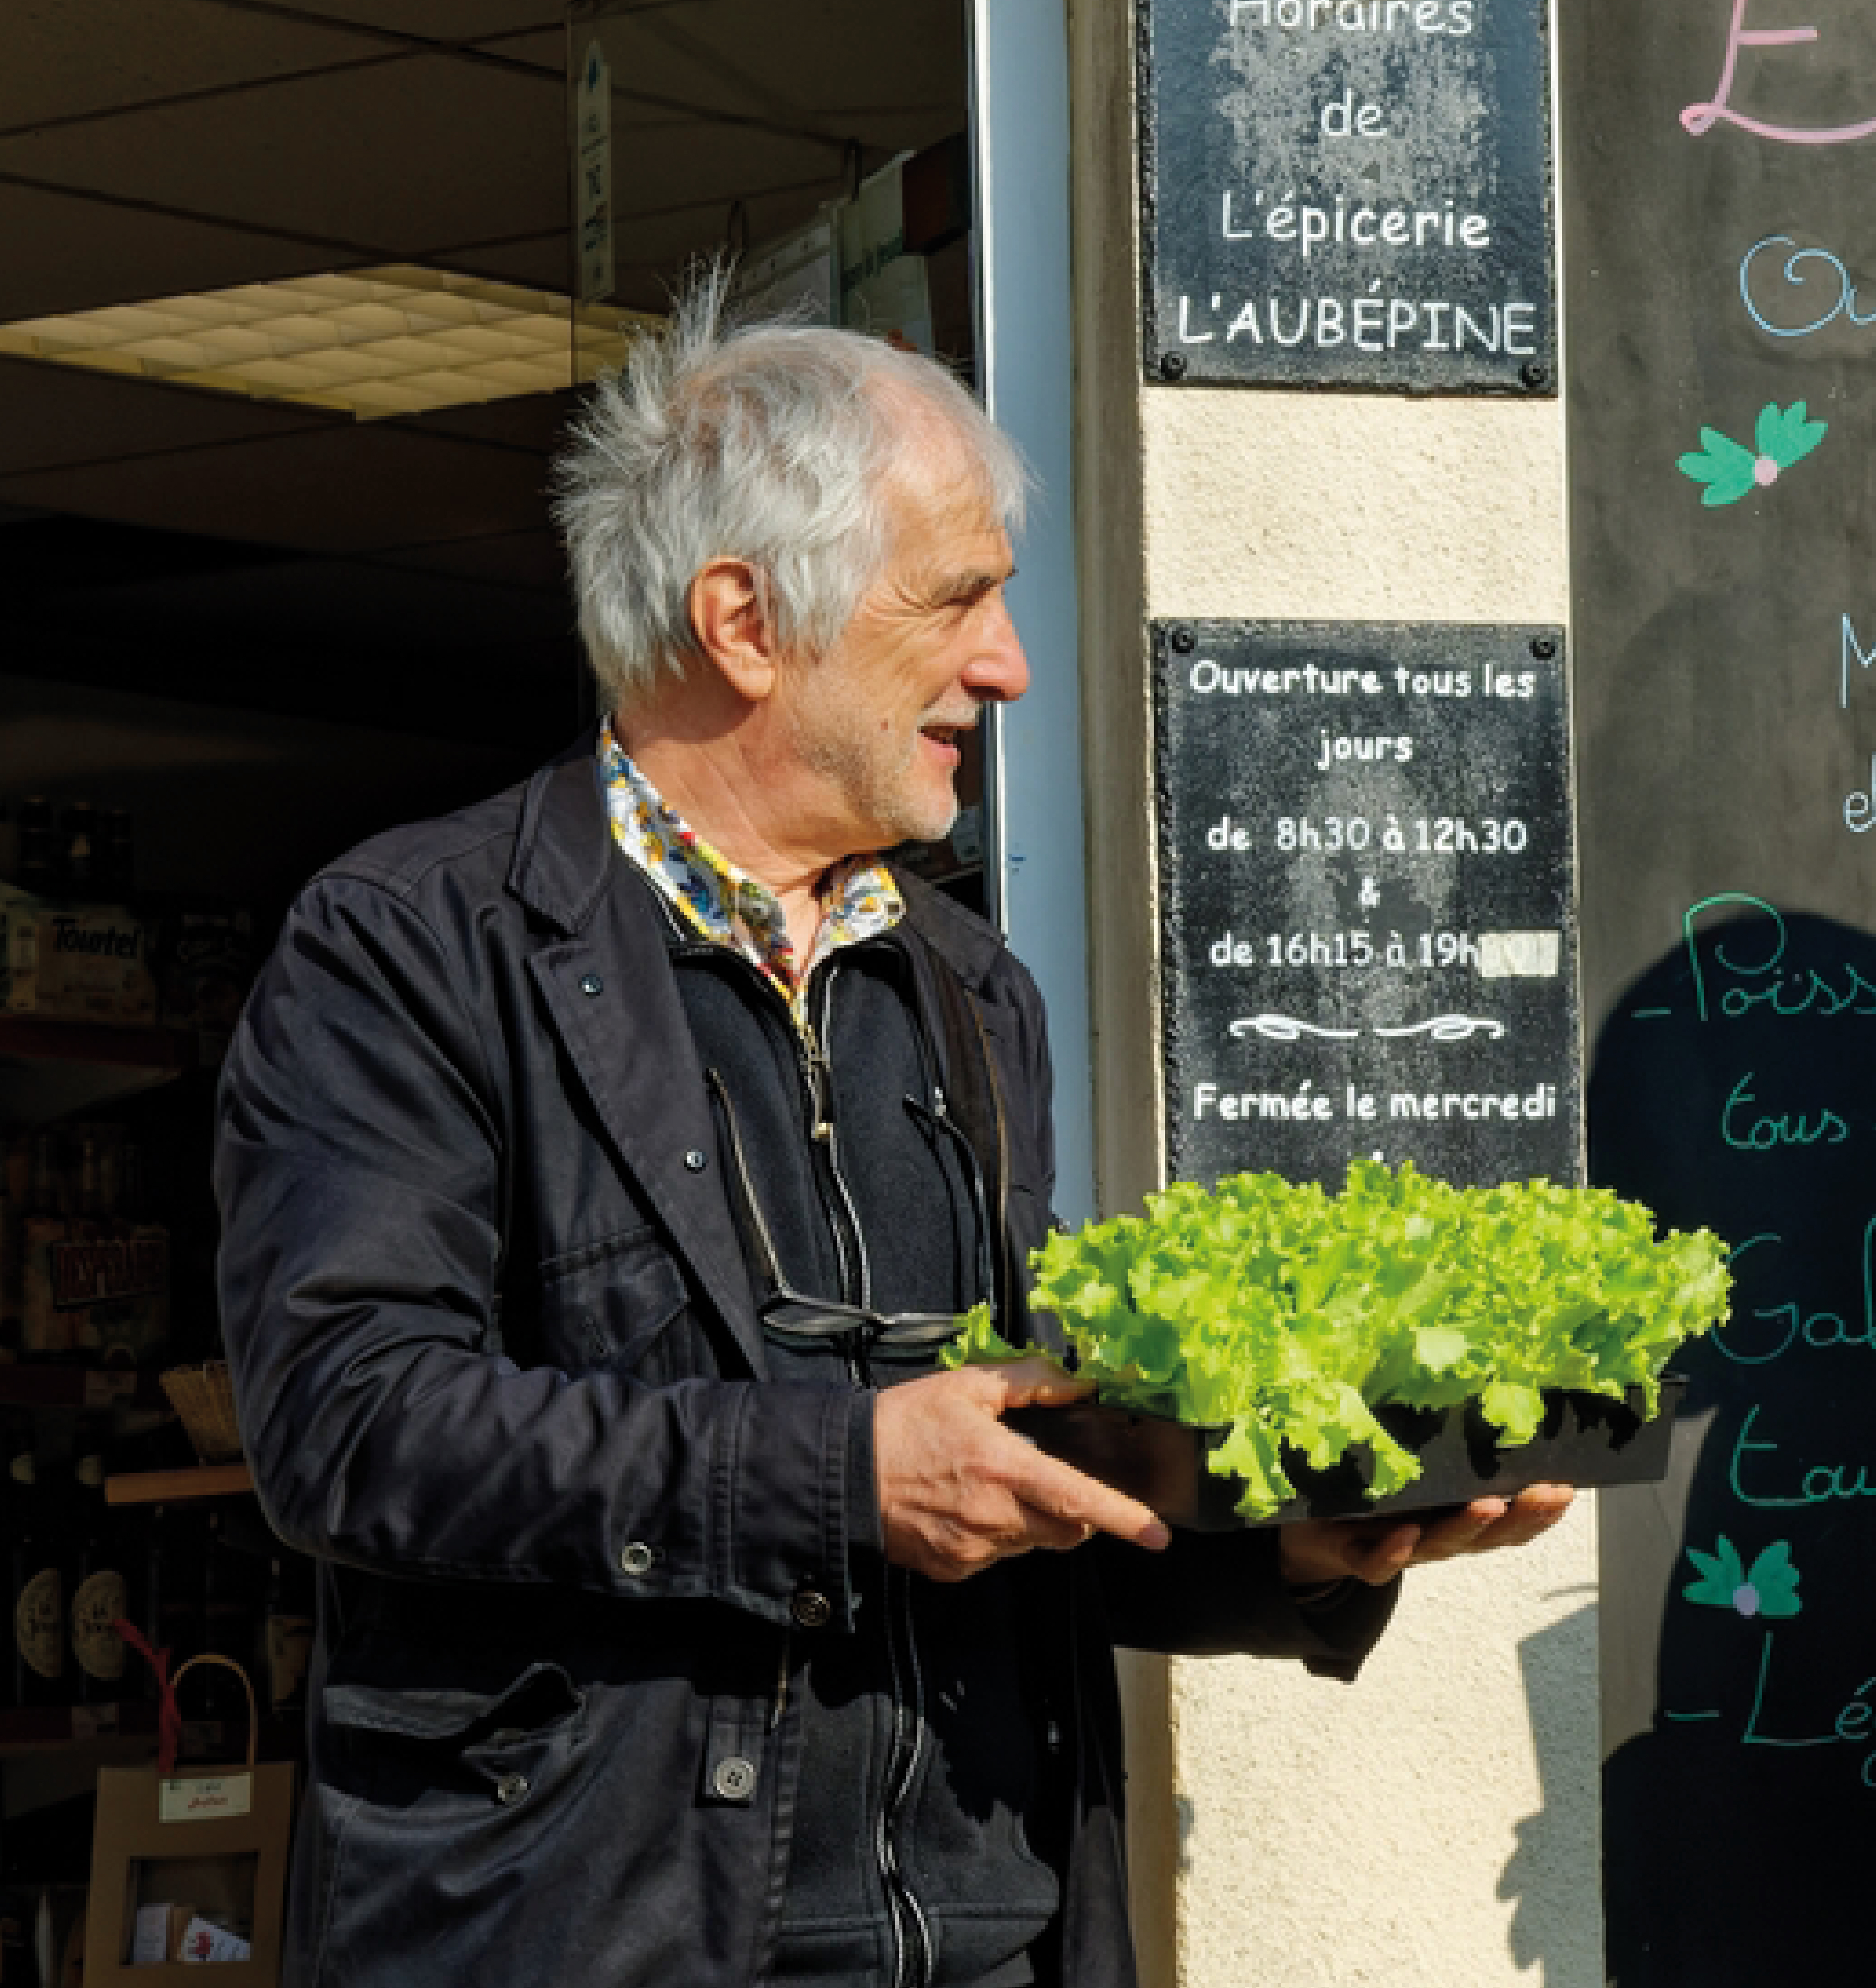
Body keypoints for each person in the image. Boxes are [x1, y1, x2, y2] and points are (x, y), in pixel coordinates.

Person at [214, 275, 1572, 1988]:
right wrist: (839, 1476)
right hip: (604, 1939)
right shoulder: (413, 943)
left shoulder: (963, 983)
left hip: (993, 1945)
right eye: (955, 603)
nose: (1003, 666)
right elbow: (351, 1425)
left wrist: (1298, 1543)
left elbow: (1013, 1496)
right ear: (744, 619)